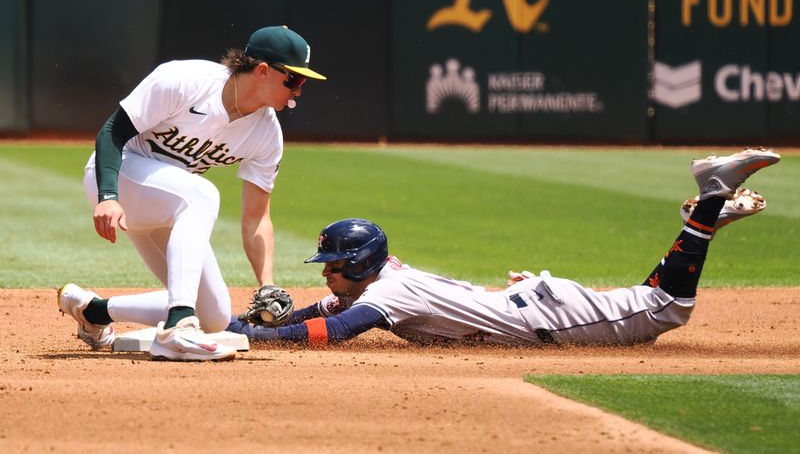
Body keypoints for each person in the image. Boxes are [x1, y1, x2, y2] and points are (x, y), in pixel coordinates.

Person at [227, 148, 780, 347]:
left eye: (333, 266)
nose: (326, 276)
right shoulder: (375, 282)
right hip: (534, 307)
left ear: (359, 265)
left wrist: (257, 339)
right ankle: (704, 221)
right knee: (647, 300)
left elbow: (338, 331)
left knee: (667, 308)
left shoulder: (389, 292)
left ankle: (710, 197)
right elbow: (323, 311)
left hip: (548, 317)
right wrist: (265, 322)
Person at [57, 25, 326, 361]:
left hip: (171, 203)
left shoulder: (266, 134)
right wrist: (107, 196)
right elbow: (113, 131)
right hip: (118, 175)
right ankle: (177, 328)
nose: (298, 90)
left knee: (214, 315)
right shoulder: (185, 80)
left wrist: (267, 283)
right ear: (262, 71)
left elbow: (257, 219)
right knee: (202, 194)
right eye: (294, 80)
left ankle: (93, 312)